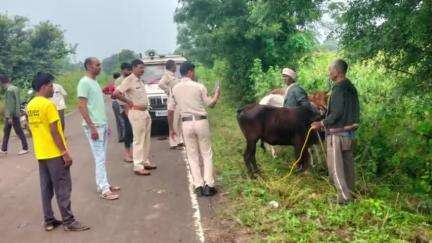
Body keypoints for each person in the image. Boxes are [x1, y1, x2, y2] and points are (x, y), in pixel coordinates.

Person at [27, 72, 90, 231]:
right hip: (55, 153)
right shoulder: (48, 105)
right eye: (50, 86)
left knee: (46, 188)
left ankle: (48, 220)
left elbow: (31, 128)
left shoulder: (30, 105)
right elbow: (55, 130)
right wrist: (64, 152)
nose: (52, 88)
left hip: (41, 153)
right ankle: (69, 221)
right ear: (43, 87)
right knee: (62, 187)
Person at [168, 62, 221, 197]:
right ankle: (209, 184)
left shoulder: (174, 89)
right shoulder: (199, 86)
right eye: (194, 71)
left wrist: (172, 129)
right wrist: (216, 94)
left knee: (192, 155)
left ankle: (198, 185)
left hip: (186, 123)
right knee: (206, 153)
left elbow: (170, 110)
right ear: (190, 72)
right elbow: (211, 104)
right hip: (201, 121)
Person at [311, 59, 360, 205]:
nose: (329, 73)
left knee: (335, 168)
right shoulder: (350, 87)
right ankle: (350, 193)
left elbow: (337, 113)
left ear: (337, 72)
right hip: (349, 134)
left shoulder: (338, 88)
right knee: (347, 167)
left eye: (330, 70)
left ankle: (344, 198)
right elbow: (345, 111)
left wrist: (321, 123)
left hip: (337, 135)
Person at [77, 57, 120, 200]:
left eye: (100, 64)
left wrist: (105, 124)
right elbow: (81, 106)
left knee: (101, 157)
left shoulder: (94, 82)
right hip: (94, 126)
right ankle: (104, 189)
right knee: (100, 158)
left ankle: (103, 184)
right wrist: (92, 127)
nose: (100, 67)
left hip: (101, 125)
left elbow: (96, 106)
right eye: (97, 65)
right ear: (89, 66)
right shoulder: (84, 83)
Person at [114, 59, 156, 175]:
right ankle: (138, 166)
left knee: (146, 139)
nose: (142, 70)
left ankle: (145, 161)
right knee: (138, 139)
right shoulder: (129, 80)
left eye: (143, 68)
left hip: (145, 112)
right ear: (133, 68)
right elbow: (116, 93)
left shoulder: (140, 80)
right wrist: (128, 101)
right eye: (140, 67)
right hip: (136, 112)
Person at [0, 74, 29, 155]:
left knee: (18, 131)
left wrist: (10, 117)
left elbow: (10, 105)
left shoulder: (9, 90)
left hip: (11, 115)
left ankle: (25, 148)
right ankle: (4, 148)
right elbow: (17, 102)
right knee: (6, 131)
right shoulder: (15, 88)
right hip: (16, 113)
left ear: (1, 82)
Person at [159, 60, 183, 149]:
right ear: (172, 66)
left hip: (177, 101)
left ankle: (179, 141)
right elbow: (160, 84)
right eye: (175, 65)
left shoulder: (173, 75)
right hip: (172, 100)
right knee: (173, 122)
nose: (176, 67)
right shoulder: (167, 75)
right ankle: (173, 143)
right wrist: (169, 91)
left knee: (178, 122)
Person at [114, 63, 134, 162]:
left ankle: (133, 153)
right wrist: (125, 107)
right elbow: (118, 95)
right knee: (128, 130)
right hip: (124, 108)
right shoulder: (119, 81)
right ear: (122, 70)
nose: (129, 72)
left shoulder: (132, 78)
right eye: (127, 70)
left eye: (130, 70)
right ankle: (127, 154)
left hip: (134, 108)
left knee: (135, 131)